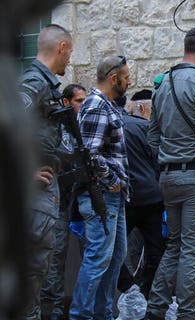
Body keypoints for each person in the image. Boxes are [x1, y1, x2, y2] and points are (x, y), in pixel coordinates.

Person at [146, 26, 195, 320]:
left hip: (168, 178)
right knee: (194, 253)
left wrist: (168, 161)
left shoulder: (163, 83)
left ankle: (154, 312)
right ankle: (188, 316)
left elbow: (152, 137)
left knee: (175, 248)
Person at [18, 23, 73, 320]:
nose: (69, 61)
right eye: (70, 53)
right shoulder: (34, 83)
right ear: (62, 48)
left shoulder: (43, 83)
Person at [71, 54, 131, 319]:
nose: (129, 83)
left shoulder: (105, 104)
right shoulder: (96, 105)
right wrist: (114, 181)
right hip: (103, 195)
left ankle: (102, 314)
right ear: (113, 78)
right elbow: (89, 154)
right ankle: (81, 315)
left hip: (112, 196)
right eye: (126, 78)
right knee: (98, 259)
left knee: (115, 258)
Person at [40, 84, 86, 320]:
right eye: (78, 100)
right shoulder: (57, 127)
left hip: (77, 201)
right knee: (54, 258)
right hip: (57, 201)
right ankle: (54, 310)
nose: (82, 105)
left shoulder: (81, 126)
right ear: (66, 102)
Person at [116, 89, 166, 298]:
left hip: (126, 199)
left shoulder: (117, 126)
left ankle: (129, 287)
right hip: (153, 199)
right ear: (144, 108)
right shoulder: (148, 129)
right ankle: (146, 291)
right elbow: (160, 161)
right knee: (157, 250)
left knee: (114, 251)